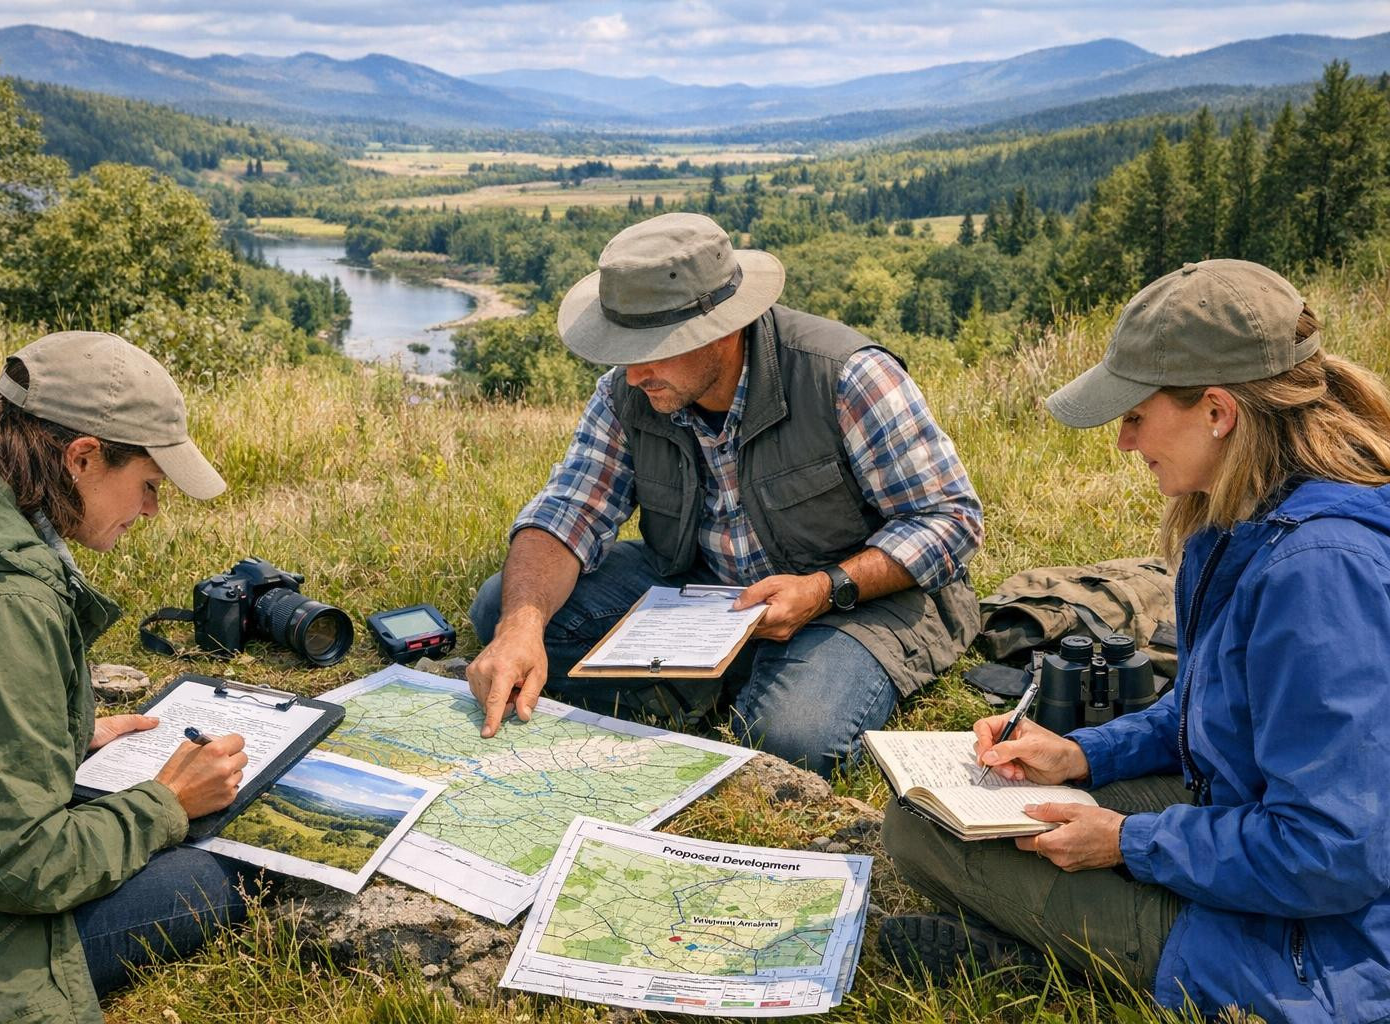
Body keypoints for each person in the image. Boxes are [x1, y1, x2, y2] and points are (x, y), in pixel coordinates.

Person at [880, 260, 1390, 1022]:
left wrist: (1129, 843)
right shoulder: (1249, 515)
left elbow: (1333, 854)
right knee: (925, 817)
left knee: (940, 844)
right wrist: (1083, 755)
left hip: (1328, 954)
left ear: (1216, 411)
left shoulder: (1318, 572)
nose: (1122, 442)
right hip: (1252, 829)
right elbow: (1208, 712)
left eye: (1135, 415)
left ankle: (1068, 958)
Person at [467, 212, 982, 777]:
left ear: (723, 330)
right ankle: (730, 673)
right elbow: (569, 510)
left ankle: (728, 683)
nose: (635, 375)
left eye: (653, 349)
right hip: (703, 589)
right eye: (624, 351)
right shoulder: (624, 392)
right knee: (505, 608)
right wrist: (520, 627)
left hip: (851, 601)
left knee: (793, 739)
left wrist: (823, 588)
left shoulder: (844, 375)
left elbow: (949, 519)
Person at [0, 331, 252, 1023]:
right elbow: (19, 869)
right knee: (223, 869)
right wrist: (166, 803)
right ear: (82, 457)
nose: (152, 511)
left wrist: (57, 732)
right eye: (149, 485)